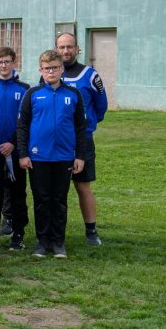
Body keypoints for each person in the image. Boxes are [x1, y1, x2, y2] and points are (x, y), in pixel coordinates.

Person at [17, 50, 86, 259]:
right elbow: (22, 126)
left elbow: (81, 127)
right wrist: (23, 153)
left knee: (59, 200)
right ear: (41, 70)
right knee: (41, 199)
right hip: (38, 157)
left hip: (64, 157)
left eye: (55, 68)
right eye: (47, 69)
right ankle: (42, 241)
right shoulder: (33, 94)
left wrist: (80, 155)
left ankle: (58, 242)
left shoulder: (73, 94)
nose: (51, 72)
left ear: (61, 69)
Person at [55, 32, 108, 246]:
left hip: (81, 140)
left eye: (70, 47)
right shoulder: (50, 73)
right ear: (56, 49)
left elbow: (101, 105)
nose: (65, 51)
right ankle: (54, 232)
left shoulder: (89, 75)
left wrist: (88, 124)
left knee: (82, 186)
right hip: (56, 141)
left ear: (77, 49)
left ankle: (91, 231)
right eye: (61, 47)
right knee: (55, 189)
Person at [0, 47, 29, 250]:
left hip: (15, 149)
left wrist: (12, 143)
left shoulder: (24, 88)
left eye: (7, 61)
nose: (4, 65)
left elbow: (25, 120)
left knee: (18, 193)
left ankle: (18, 234)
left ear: (14, 63)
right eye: (0, 62)